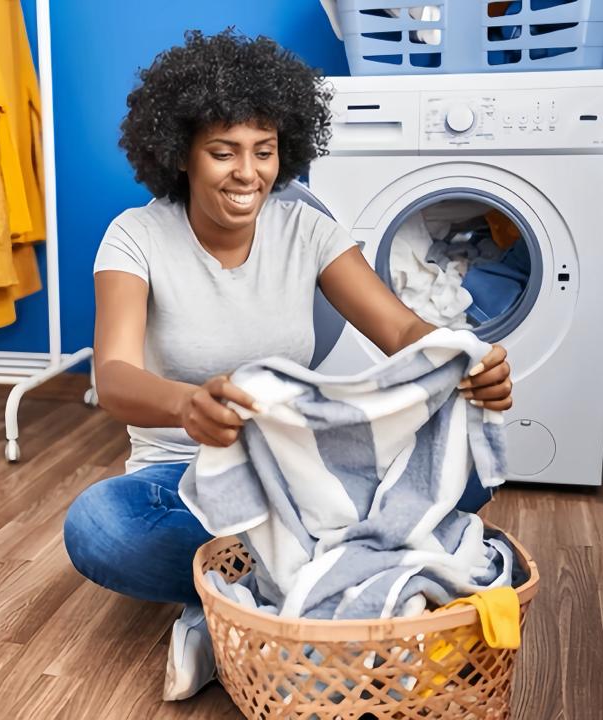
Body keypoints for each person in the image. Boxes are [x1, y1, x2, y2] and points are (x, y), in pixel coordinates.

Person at [63, 30, 513, 701]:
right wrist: (188, 405)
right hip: (184, 483)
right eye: (223, 152)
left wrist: (465, 359)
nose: (248, 172)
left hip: (306, 474)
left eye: (264, 151)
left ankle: (230, 602)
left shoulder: (308, 230)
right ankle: (318, 582)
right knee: (98, 526)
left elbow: (399, 328)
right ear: (180, 153)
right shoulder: (136, 236)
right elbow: (116, 377)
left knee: (477, 461)